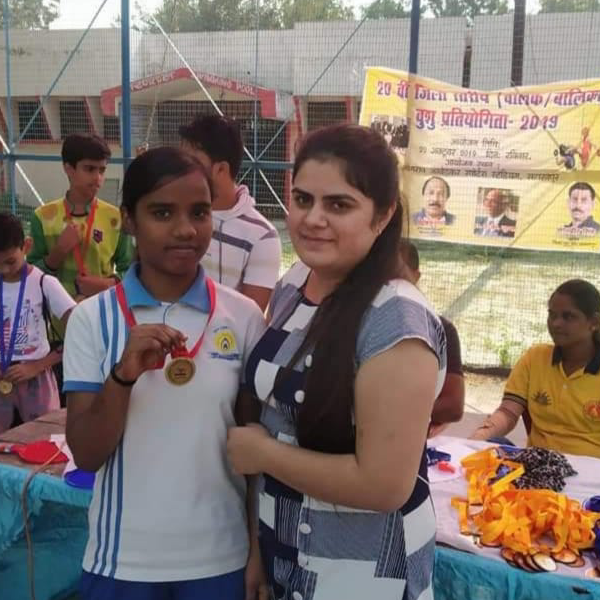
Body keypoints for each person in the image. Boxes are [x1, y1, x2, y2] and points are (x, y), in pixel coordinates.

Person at [227, 124, 447, 600]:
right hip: (286, 558)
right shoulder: (294, 283)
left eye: (339, 205)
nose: (313, 219)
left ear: (382, 216)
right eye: (303, 199)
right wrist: (258, 550)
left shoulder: (395, 320)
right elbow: (275, 420)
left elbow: (384, 486)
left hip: (362, 577)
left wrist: (263, 455)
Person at [62, 147, 267, 599]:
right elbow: (87, 455)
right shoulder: (93, 319)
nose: (185, 229)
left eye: (199, 212)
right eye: (162, 213)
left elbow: (254, 451)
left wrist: (256, 549)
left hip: (222, 557)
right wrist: (123, 376)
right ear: (129, 220)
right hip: (123, 559)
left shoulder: (243, 317)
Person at [471, 279, 600, 459]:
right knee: (487, 447)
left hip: (592, 470)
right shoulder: (535, 358)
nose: (556, 323)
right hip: (538, 464)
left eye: (568, 317)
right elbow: (508, 413)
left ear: (594, 322)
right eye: (552, 315)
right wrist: (477, 438)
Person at [179, 115, 281, 312]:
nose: (181, 170)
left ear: (221, 169)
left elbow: (248, 316)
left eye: (192, 163)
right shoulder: (174, 217)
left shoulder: (262, 236)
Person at [28, 133, 133, 302]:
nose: (98, 178)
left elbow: (131, 269)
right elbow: (29, 275)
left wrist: (107, 284)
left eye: (102, 170)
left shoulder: (116, 218)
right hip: (56, 314)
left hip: (102, 310)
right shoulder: (42, 217)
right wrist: (58, 252)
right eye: (89, 169)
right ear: (69, 169)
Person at [0, 213, 75, 432]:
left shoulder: (44, 283)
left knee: (43, 440)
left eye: (10, 261)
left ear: (26, 246)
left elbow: (82, 331)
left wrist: (37, 366)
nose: (3, 270)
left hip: (37, 378)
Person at [399, 240, 464, 436]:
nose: (389, 286)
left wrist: (388, 411)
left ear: (416, 276)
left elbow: (453, 406)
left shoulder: (440, 328)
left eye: (399, 277)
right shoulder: (357, 324)